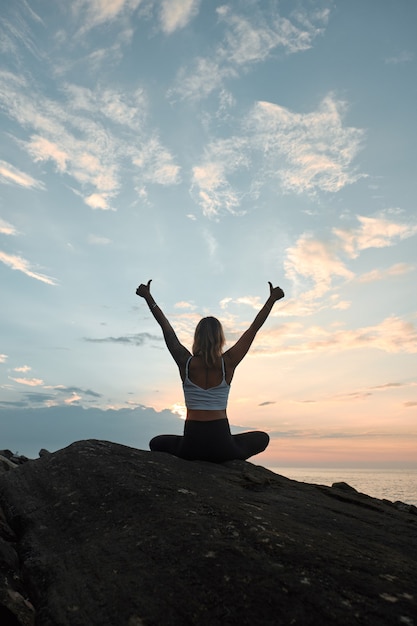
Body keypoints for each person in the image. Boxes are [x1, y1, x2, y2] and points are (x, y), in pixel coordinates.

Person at [136, 280, 285, 463]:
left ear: (197, 337)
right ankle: (229, 452)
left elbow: (166, 328)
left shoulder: (185, 362)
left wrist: (148, 297)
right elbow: (253, 329)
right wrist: (271, 300)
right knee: (262, 438)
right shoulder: (228, 362)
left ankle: (199, 450)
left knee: (157, 443)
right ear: (220, 338)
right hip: (222, 445)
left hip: (191, 445)